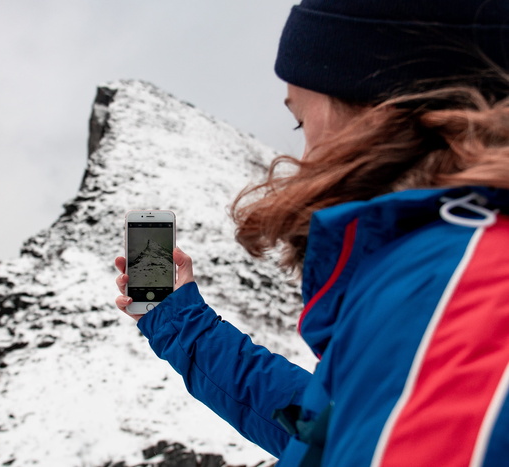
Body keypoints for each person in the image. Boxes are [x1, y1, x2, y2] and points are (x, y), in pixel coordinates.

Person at [115, 1, 509, 465]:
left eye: (301, 120)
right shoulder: (436, 270)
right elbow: (329, 430)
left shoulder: (457, 290)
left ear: (378, 105)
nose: (302, 155)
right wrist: (180, 321)